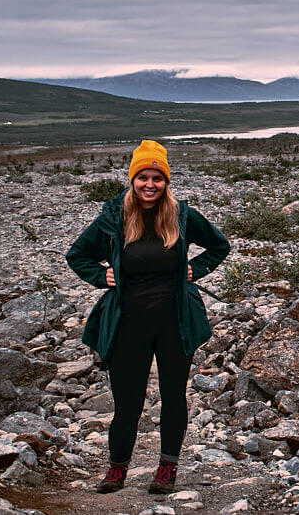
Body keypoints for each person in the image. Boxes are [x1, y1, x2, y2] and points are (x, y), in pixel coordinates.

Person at [66, 140, 230, 494]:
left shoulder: (182, 215)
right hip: (128, 323)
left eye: (157, 177)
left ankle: (167, 468)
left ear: (166, 181)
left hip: (174, 322)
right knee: (127, 402)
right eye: (143, 177)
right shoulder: (115, 216)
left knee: (173, 397)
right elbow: (77, 254)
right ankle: (117, 470)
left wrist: (194, 269)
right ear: (133, 180)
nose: (150, 184)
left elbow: (220, 246)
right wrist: (101, 276)